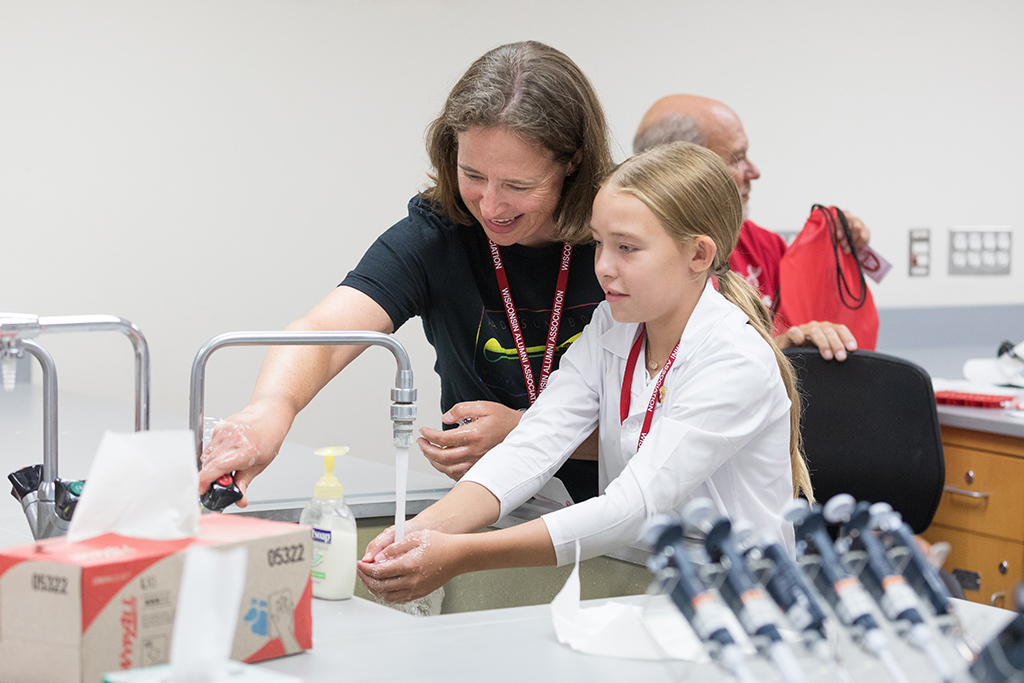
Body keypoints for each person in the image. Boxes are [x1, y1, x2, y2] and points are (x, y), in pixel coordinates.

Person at [356, 142, 812, 604]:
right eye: (599, 243)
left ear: (698, 255)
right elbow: (535, 443)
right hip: (647, 584)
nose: (603, 267)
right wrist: (419, 531)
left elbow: (632, 508)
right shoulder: (612, 325)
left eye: (627, 248)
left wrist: (462, 554)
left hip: (742, 601)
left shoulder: (733, 360)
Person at [198, 42, 614, 505]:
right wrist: (270, 410)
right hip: (498, 515)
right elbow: (323, 331)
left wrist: (524, 432)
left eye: (518, 185)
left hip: (633, 521)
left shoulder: (623, 236)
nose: (491, 207)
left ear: (573, 161)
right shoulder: (440, 236)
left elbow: (677, 420)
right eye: (472, 174)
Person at [633, 94, 872, 361]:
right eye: (737, 158)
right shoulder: (640, 262)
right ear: (684, 169)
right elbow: (668, 367)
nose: (754, 171)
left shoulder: (762, 245)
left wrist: (838, 251)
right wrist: (773, 351)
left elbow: (809, 304)